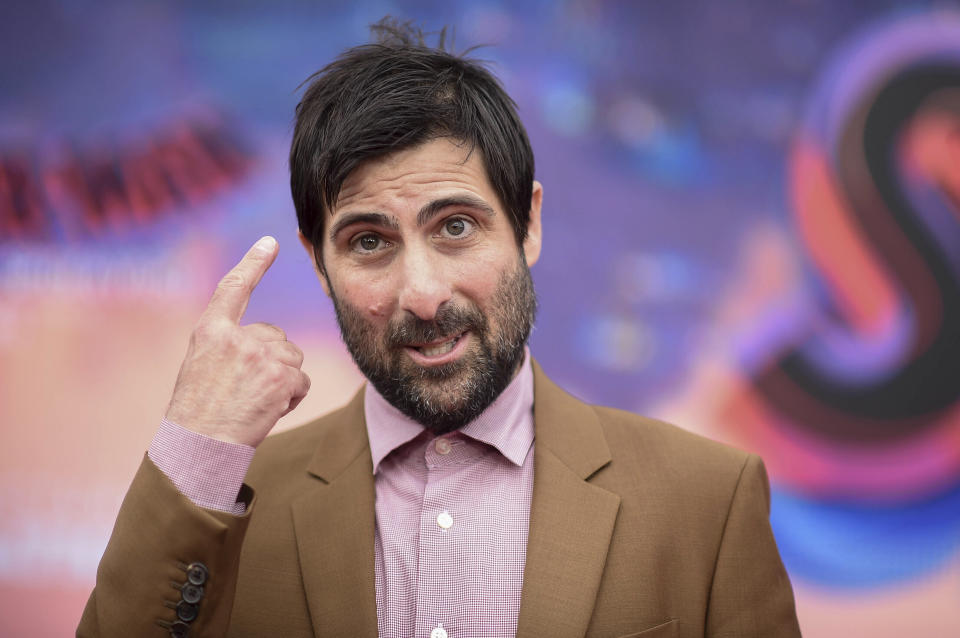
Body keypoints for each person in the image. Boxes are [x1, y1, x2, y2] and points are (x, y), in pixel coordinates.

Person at [78, 19, 801, 638]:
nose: (421, 295)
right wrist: (196, 445)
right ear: (318, 262)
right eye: (368, 241)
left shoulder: (708, 496)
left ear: (530, 224)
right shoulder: (223, 504)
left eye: (456, 226)